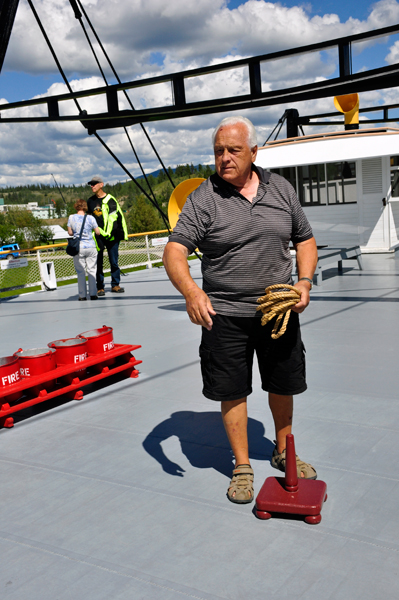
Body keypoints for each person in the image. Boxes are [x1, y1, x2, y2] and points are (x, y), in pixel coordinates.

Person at [162, 116, 318, 504]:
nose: (225, 158)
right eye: (218, 151)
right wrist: (191, 292)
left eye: (233, 150)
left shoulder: (280, 189)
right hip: (225, 314)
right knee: (232, 390)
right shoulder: (204, 198)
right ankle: (243, 466)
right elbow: (175, 250)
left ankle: (284, 452)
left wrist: (304, 281)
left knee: (283, 384)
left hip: (278, 311)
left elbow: (306, 239)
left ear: (253, 152)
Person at [87, 175, 128, 295]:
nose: (92, 186)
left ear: (101, 184)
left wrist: (107, 233)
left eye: (94, 184)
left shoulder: (111, 200)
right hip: (97, 236)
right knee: (98, 262)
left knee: (114, 261)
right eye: (91, 184)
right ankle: (100, 287)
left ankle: (115, 285)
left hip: (112, 236)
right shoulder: (90, 201)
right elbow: (89, 219)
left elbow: (113, 219)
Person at [67, 199, 100, 301]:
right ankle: (93, 294)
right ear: (85, 207)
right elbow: (98, 232)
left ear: (76, 206)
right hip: (91, 247)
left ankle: (82, 296)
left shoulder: (71, 217)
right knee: (92, 270)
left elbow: (70, 233)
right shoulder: (90, 218)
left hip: (79, 248)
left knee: (81, 272)